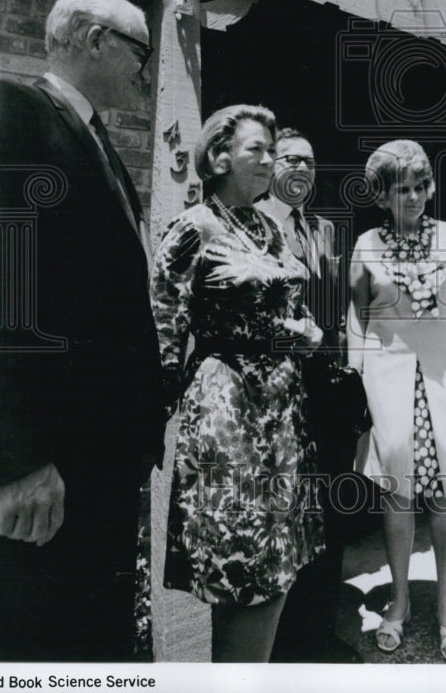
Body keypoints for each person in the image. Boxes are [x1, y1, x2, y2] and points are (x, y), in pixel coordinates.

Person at [0, 0, 166, 661]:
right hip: (45, 472)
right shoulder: (9, 110)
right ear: (94, 39)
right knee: (25, 638)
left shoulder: (94, 140)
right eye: (140, 50)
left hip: (97, 464)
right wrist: (19, 458)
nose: (148, 70)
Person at [150, 105, 324, 663]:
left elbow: (283, 303)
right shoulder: (195, 228)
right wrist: (152, 419)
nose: (272, 160)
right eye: (259, 150)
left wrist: (304, 332)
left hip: (282, 414)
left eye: (275, 150)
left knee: (277, 568)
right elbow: (163, 326)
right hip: (232, 417)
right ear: (220, 157)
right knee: (246, 571)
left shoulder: (267, 227)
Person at [347, 140, 446, 662]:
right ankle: (398, 603)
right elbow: (357, 317)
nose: (415, 197)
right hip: (390, 379)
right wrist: (357, 377)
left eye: (422, 186)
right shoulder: (367, 245)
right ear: (381, 195)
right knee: (397, 492)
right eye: (402, 189)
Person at [259, 127, 362, 664]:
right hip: (275, 395)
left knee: (330, 511)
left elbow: (343, 306)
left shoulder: (326, 230)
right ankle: (279, 648)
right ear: (270, 164)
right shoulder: (249, 225)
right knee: (283, 515)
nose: (303, 169)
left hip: (328, 395)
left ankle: (318, 636)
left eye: (311, 162)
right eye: (292, 158)